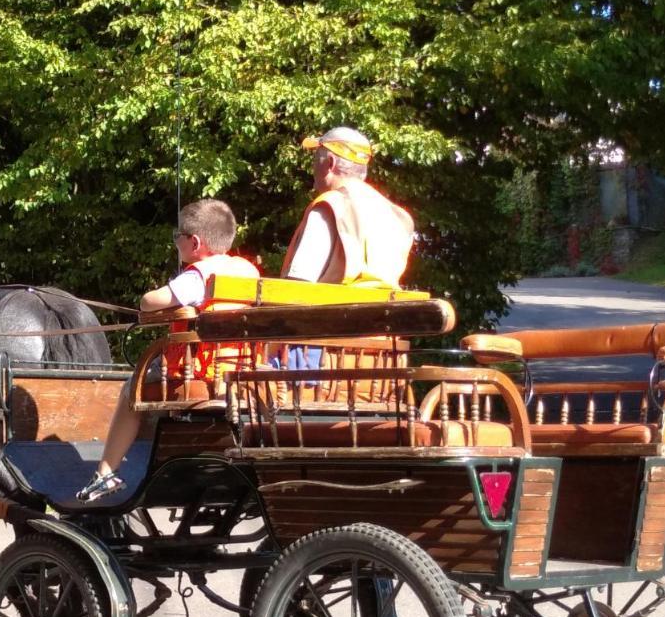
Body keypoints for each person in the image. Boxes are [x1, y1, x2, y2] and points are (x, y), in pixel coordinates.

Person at [76, 199, 259, 503]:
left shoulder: (199, 275)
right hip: (240, 369)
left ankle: (106, 471)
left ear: (195, 242)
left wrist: (169, 299)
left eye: (178, 238)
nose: (176, 244)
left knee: (131, 389)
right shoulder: (248, 271)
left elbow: (149, 302)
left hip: (201, 371)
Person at [281, 126, 414, 287]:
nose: (313, 168)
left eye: (316, 159)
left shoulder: (330, 205)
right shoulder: (397, 216)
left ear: (330, 163)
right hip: (383, 311)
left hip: (333, 310)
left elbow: (297, 285)